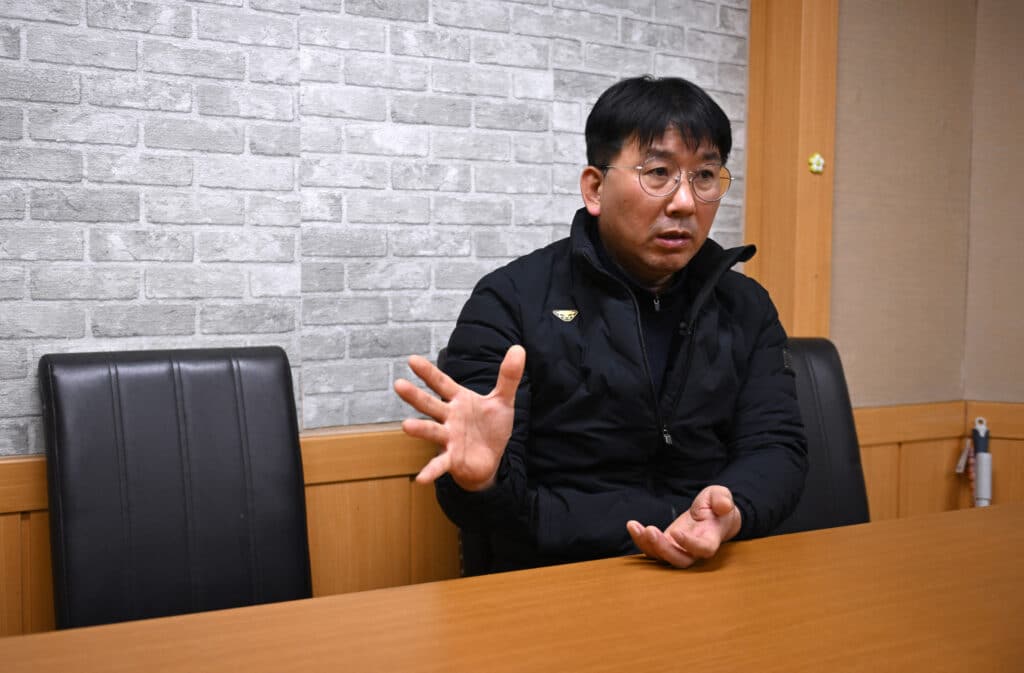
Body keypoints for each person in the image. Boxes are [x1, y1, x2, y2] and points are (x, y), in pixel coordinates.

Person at [394, 75, 807, 573]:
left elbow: (776, 448)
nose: (685, 202)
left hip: (713, 568)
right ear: (595, 187)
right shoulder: (509, 300)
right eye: (658, 172)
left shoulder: (746, 304)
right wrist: (481, 480)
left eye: (705, 176)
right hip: (558, 581)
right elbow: (482, 509)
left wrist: (728, 512)